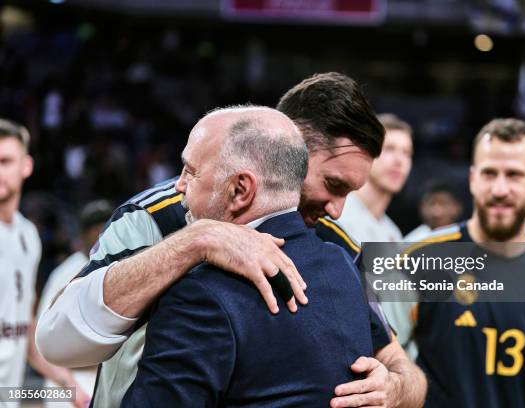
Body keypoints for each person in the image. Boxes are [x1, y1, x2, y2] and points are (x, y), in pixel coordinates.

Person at [37, 73, 427, 408]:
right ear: (285, 149)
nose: (338, 210)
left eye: (349, 192)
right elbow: (58, 340)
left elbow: (404, 366)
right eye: (333, 185)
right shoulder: (156, 216)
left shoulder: (338, 248)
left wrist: (393, 388)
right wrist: (195, 240)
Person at [122, 106, 373, 406]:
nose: (179, 185)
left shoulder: (199, 295)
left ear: (241, 189)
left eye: (190, 170)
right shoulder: (342, 264)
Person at [391, 118, 525, 406]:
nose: (500, 188)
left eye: (514, 175)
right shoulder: (416, 260)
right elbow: (381, 359)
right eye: (489, 173)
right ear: (472, 179)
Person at [0, 119, 88, 408]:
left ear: (26, 166)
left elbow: (23, 327)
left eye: (5, 161)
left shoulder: (27, 236)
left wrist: (70, 387)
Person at [34, 200, 114, 408]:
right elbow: (40, 340)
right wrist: (70, 387)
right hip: (68, 383)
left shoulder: (121, 267)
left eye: (105, 226)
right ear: (82, 234)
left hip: (104, 377)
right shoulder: (64, 274)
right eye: (93, 228)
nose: (99, 233)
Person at [335, 113, 413, 244]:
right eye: (389, 149)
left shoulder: (393, 234)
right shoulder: (336, 214)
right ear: (365, 153)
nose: (400, 160)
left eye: (407, 153)